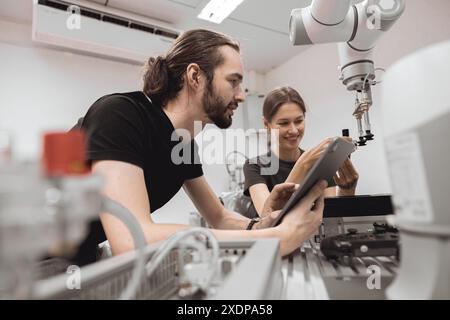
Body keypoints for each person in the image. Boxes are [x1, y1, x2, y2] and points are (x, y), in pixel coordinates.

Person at [73, 29, 327, 260]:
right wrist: (272, 239)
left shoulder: (184, 144)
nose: (240, 95)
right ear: (195, 76)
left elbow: (219, 216)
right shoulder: (120, 114)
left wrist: (259, 225)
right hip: (42, 261)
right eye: (233, 81)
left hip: (81, 255)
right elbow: (130, 239)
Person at [243, 87, 359, 218]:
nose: (293, 130)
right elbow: (267, 217)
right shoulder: (255, 166)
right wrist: (303, 166)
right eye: (284, 123)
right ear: (266, 124)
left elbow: (330, 218)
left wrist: (347, 190)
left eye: (298, 121)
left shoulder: (320, 163)